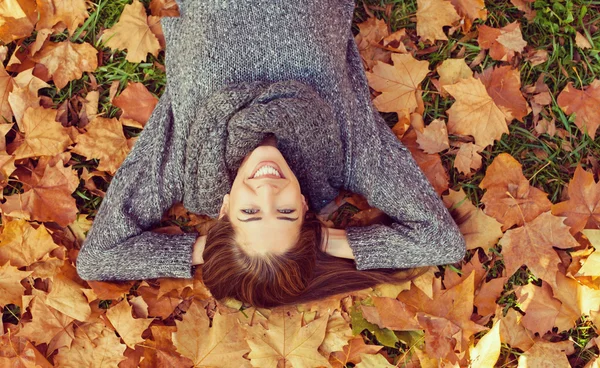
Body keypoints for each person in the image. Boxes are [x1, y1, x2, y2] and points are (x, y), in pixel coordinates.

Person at [75, 0, 467, 308]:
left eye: (249, 212)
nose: (268, 189)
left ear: (225, 209)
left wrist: (206, 253)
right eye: (285, 212)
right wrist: (324, 244)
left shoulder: (186, 160)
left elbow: (100, 258)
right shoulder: (345, 152)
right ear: (303, 206)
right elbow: (440, 242)